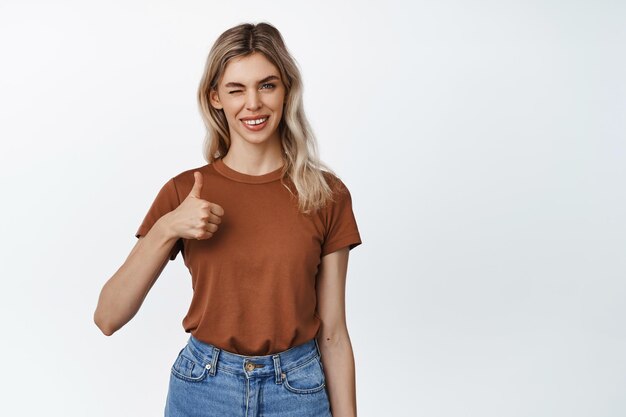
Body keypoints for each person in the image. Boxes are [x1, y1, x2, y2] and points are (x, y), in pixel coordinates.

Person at [94, 22, 362, 417]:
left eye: (267, 85)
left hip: (297, 391)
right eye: (237, 89)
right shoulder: (184, 191)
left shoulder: (326, 195)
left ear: (287, 91)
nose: (252, 103)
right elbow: (108, 316)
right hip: (204, 388)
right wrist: (168, 227)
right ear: (215, 97)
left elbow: (334, 334)